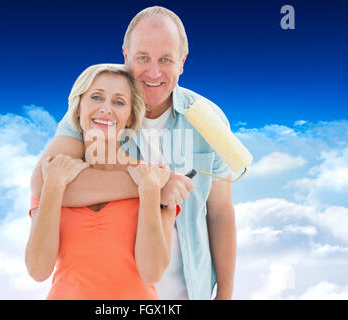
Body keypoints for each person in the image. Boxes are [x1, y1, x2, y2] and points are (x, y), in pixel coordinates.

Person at [30, 6, 236, 300]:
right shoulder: (99, 115)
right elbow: (44, 183)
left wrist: (225, 294)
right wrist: (154, 183)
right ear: (126, 56)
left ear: (182, 62)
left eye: (165, 59)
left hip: (192, 290)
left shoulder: (209, 119)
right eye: (143, 58)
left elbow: (220, 213)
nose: (153, 72)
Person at [25, 64, 179, 299]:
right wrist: (55, 185)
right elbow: (38, 270)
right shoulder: (54, 175)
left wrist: (148, 190)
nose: (106, 109)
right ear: (78, 109)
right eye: (96, 97)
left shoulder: (155, 178)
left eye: (118, 102)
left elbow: (152, 272)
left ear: (130, 118)